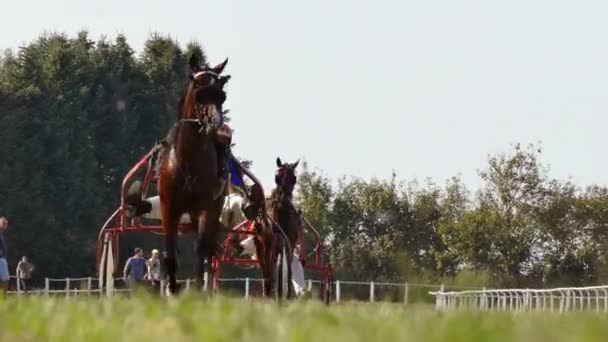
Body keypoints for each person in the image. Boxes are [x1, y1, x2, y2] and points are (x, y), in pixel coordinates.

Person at [0, 217, 8, 296]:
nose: (5, 226)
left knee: (4, 279)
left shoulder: (1, 234)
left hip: (2, 258)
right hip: (1, 259)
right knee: (5, 279)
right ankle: (3, 298)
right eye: (4, 223)